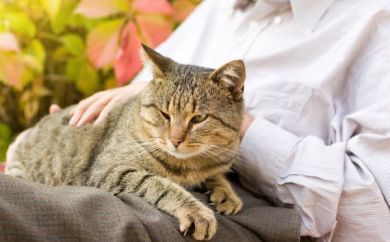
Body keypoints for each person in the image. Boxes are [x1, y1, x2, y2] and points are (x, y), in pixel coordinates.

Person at [10, 0, 390, 241]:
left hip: (233, 214)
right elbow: (145, 111)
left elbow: (375, 217)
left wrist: (240, 127)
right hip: (123, 177)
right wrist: (57, 137)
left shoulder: (375, 22)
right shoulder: (219, 8)